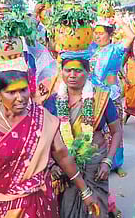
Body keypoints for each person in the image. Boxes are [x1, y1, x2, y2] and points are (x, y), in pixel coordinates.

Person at [0, 55, 99, 217]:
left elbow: (63, 155)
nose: (20, 98)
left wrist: (84, 191)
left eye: (23, 90)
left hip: (41, 203)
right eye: (11, 92)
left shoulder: (43, 118)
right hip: (4, 209)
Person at [44, 50, 122, 217]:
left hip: (95, 166)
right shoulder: (52, 101)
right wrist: (51, 165)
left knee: (97, 208)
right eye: (68, 70)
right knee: (67, 207)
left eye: (78, 70)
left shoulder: (101, 99)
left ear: (87, 72)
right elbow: (44, 138)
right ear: (61, 72)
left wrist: (108, 161)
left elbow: (116, 132)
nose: (72, 75)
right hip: (64, 167)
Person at [90, 16, 135, 177]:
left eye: (101, 33)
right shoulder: (91, 50)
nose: (97, 36)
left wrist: (120, 22)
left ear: (110, 34)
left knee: (116, 131)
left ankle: (117, 164)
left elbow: (130, 36)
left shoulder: (116, 49)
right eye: (95, 33)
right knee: (98, 132)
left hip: (112, 94)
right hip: (93, 95)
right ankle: (100, 161)